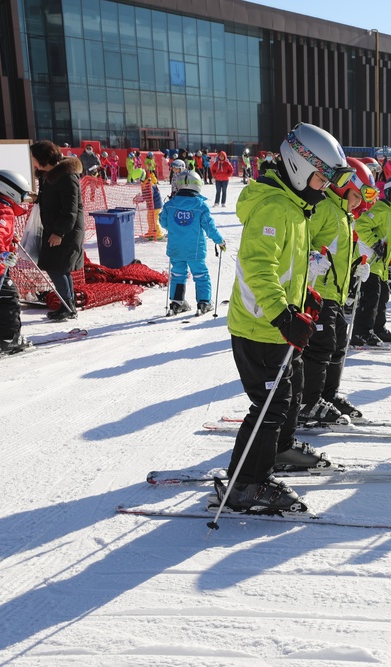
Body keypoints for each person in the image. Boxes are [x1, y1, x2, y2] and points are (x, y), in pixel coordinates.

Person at [223, 122, 354, 513]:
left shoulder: (296, 206)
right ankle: (246, 483)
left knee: (291, 391)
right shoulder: (275, 207)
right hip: (259, 327)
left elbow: (287, 266)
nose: (325, 187)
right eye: (321, 177)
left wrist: (304, 294)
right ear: (299, 165)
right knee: (268, 404)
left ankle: (277, 450)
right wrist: (282, 315)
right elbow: (258, 268)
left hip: (278, 324)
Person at [299, 157, 377, 425]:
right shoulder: (323, 208)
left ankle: (327, 395)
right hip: (318, 291)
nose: (359, 203)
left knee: (337, 345)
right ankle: (307, 401)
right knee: (320, 346)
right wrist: (310, 258)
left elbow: (344, 251)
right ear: (344, 188)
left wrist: (357, 265)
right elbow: (302, 241)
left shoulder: (344, 215)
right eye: (356, 196)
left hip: (336, 293)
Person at [351, 173, 391, 346]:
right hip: (367, 262)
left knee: (382, 296)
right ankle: (361, 332)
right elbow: (361, 224)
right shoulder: (381, 209)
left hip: (380, 265)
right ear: (388, 191)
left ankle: (377, 328)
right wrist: (374, 243)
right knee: (370, 297)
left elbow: (389, 242)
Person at [158, 170, 225, 315]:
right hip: (194, 250)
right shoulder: (200, 206)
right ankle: (204, 302)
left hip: (176, 248)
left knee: (177, 274)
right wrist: (219, 241)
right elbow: (209, 227)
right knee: (200, 274)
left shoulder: (170, 205)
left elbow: (163, 222)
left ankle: (177, 302)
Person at [30, 141, 83, 321]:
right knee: (60, 268)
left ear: (44, 158)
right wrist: (35, 198)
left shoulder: (66, 177)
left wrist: (59, 233)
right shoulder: (49, 176)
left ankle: (68, 306)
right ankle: (68, 304)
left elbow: (70, 210)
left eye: (35, 158)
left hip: (66, 231)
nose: (33, 162)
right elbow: (51, 199)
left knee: (56, 267)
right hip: (55, 228)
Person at [0, 170, 34, 354]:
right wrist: (1, 254)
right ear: (10, 191)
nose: (24, 198)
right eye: (23, 194)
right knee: (8, 298)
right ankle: (9, 338)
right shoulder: (3, 210)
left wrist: (9, 239)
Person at [133, 171, 164, 240]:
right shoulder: (145, 183)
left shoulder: (149, 184)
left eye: (138, 179)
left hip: (156, 205)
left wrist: (141, 198)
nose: (138, 181)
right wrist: (140, 198)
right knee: (149, 218)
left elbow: (149, 195)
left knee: (154, 219)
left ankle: (159, 233)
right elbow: (146, 195)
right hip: (151, 205)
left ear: (142, 177)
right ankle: (151, 232)